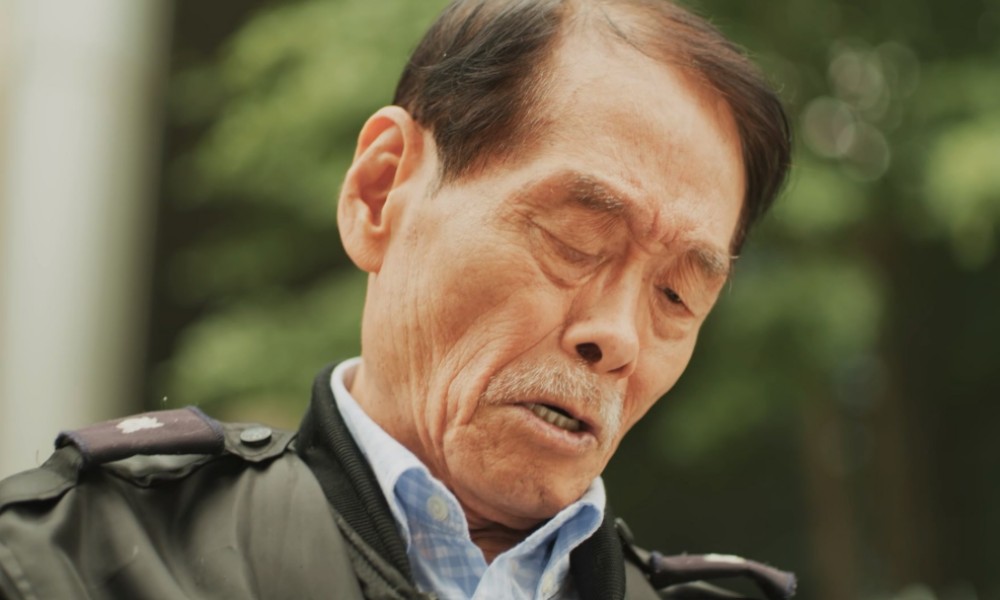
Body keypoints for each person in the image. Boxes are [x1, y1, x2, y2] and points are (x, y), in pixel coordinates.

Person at [0, 0, 794, 598]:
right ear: (381, 193)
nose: (617, 336)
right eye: (575, 239)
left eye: (677, 294)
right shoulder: (76, 558)